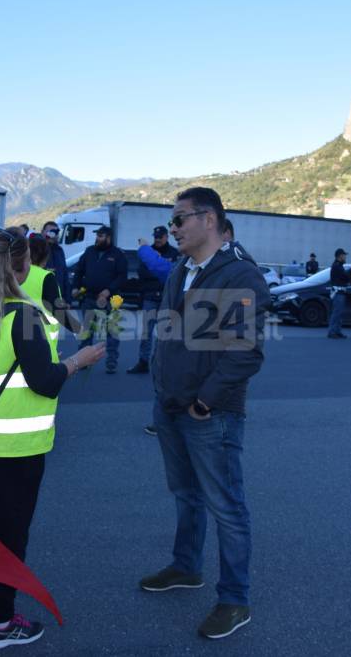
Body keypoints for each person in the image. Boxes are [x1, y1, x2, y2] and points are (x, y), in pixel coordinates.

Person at [0, 227, 104, 649]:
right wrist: (79, 360)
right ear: (22, 265)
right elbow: (45, 382)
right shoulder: (24, 314)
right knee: (10, 535)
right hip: (16, 449)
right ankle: (1, 623)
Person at [141, 187, 270, 640]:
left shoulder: (239, 275)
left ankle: (234, 600)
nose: (172, 228)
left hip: (208, 414)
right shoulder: (182, 269)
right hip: (171, 405)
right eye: (172, 221)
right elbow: (171, 334)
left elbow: (245, 352)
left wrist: (204, 401)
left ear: (209, 219)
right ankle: (185, 567)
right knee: (185, 494)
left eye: (180, 220)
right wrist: (163, 391)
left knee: (227, 507)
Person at [73, 225, 126, 374]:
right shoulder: (89, 251)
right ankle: (83, 360)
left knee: (112, 331)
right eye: (97, 235)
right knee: (86, 332)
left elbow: (122, 277)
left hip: (111, 299)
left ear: (108, 238)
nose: (97, 238)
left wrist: (109, 290)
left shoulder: (118, 254)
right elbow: (78, 270)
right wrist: (75, 287)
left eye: (101, 236)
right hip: (89, 298)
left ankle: (111, 361)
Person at [128, 226, 180, 374]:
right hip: (150, 297)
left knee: (164, 334)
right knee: (146, 333)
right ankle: (143, 362)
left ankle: (160, 362)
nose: (157, 239)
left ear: (166, 237)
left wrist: (157, 268)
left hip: (166, 298)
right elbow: (142, 273)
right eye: (155, 237)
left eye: (160, 237)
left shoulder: (174, 253)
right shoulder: (148, 252)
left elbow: (173, 276)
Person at [21, 233, 79, 333]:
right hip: (39, 335)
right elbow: (58, 311)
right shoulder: (45, 277)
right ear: (46, 256)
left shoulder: (14, 272)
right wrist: (78, 328)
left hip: (14, 330)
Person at [41, 221, 69, 300]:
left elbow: (65, 275)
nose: (52, 235)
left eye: (55, 232)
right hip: (42, 299)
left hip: (59, 300)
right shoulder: (37, 250)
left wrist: (67, 299)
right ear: (42, 232)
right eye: (50, 232)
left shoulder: (59, 251)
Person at [326, 247, 350, 339]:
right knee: (336, 313)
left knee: (339, 314)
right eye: (344, 255)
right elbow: (346, 277)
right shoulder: (337, 266)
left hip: (340, 293)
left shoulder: (339, 265)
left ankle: (337, 331)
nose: (345, 257)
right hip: (338, 293)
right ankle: (332, 332)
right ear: (340, 256)